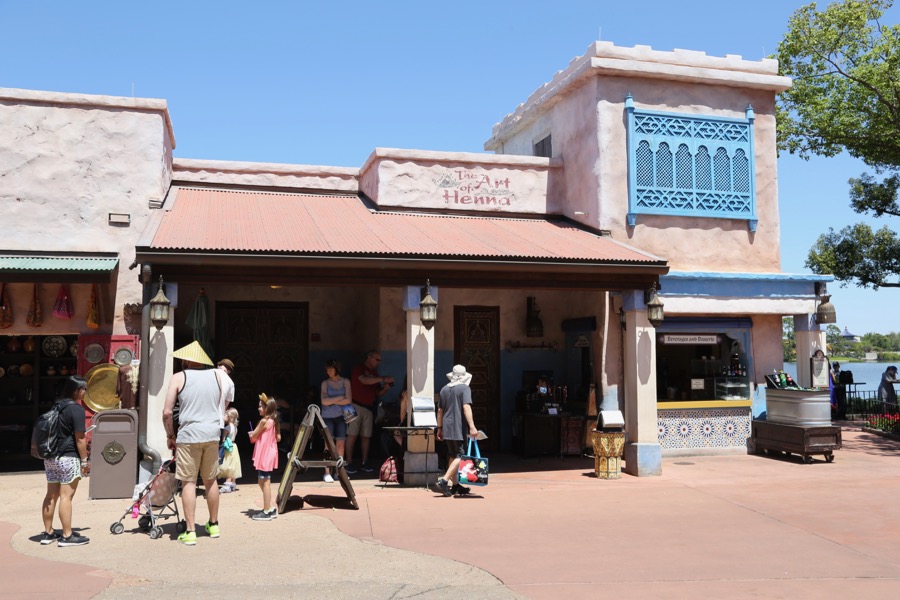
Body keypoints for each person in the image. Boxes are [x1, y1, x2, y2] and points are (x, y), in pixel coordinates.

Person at [162, 341, 228, 545]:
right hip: (211, 433)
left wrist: (170, 435)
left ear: (188, 360)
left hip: (189, 434)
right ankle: (214, 525)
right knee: (211, 480)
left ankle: (191, 531)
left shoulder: (179, 377)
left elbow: (166, 412)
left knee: (188, 482)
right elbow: (225, 402)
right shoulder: (218, 375)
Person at [40, 376, 91, 547]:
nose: (85, 392)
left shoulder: (57, 406)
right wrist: (85, 461)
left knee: (50, 495)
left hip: (51, 457)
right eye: (83, 389)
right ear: (76, 390)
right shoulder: (76, 409)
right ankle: (67, 536)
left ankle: (48, 533)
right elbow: (80, 439)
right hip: (68, 457)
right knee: (66, 497)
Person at [346, 350, 394, 473]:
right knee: (352, 434)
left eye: (380, 360)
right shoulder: (358, 368)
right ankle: (349, 462)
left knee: (366, 435)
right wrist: (382, 378)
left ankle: (365, 461)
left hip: (369, 407)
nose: (378, 362)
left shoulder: (375, 373)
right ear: (369, 357)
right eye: (377, 359)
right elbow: (363, 380)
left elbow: (378, 392)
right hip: (353, 405)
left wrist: (386, 387)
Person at [434, 365, 478, 497]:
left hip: (447, 426)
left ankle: (455, 485)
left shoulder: (443, 389)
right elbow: (466, 407)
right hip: (458, 426)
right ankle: (444, 480)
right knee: (460, 455)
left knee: (452, 454)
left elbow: (440, 411)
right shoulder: (465, 388)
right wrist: (472, 426)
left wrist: (439, 428)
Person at [320, 360, 353, 482]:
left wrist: (331, 400)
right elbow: (323, 401)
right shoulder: (325, 383)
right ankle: (327, 472)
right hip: (327, 416)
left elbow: (348, 400)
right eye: (327, 370)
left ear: (336, 370)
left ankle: (338, 472)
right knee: (328, 444)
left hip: (341, 416)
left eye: (330, 370)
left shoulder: (345, 382)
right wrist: (340, 397)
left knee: (340, 444)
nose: (328, 372)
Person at [250, 393, 281, 520]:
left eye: (260, 406)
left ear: (267, 408)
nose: (258, 408)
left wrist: (254, 434)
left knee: (265, 481)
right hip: (270, 453)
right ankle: (269, 507)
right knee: (261, 480)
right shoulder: (273, 421)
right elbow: (278, 438)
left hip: (264, 454)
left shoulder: (263, 421)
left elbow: (254, 436)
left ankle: (267, 510)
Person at [217, 407, 242, 493]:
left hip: (227, 447)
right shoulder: (235, 427)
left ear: (229, 417)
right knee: (233, 465)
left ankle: (227, 484)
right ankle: (233, 483)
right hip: (234, 446)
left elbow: (223, 439)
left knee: (227, 465)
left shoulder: (227, 428)